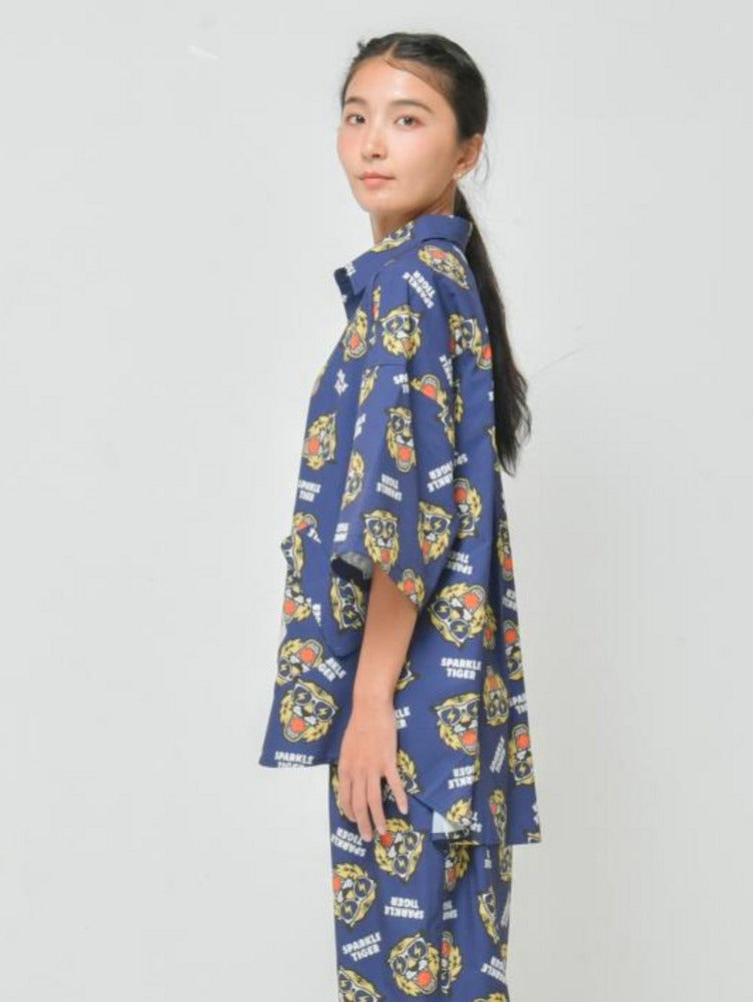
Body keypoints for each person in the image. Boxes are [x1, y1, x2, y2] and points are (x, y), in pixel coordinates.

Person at [258, 31, 542, 1000]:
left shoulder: (409, 289)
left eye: (407, 119)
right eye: (357, 117)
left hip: (412, 706)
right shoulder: (435, 280)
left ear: (467, 151)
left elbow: (404, 521)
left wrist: (370, 703)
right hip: (452, 711)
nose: (372, 143)